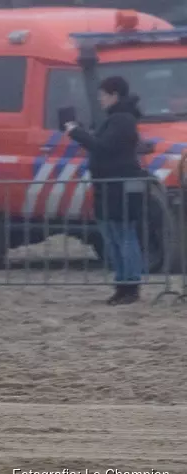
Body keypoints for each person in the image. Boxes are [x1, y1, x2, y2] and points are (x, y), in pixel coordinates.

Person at [65, 76, 147, 305]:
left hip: (118, 187)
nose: (100, 99)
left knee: (123, 236)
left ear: (114, 95)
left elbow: (103, 147)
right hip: (110, 187)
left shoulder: (121, 120)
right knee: (115, 237)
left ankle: (129, 285)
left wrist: (76, 133)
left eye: (103, 95)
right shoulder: (118, 119)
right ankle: (123, 284)